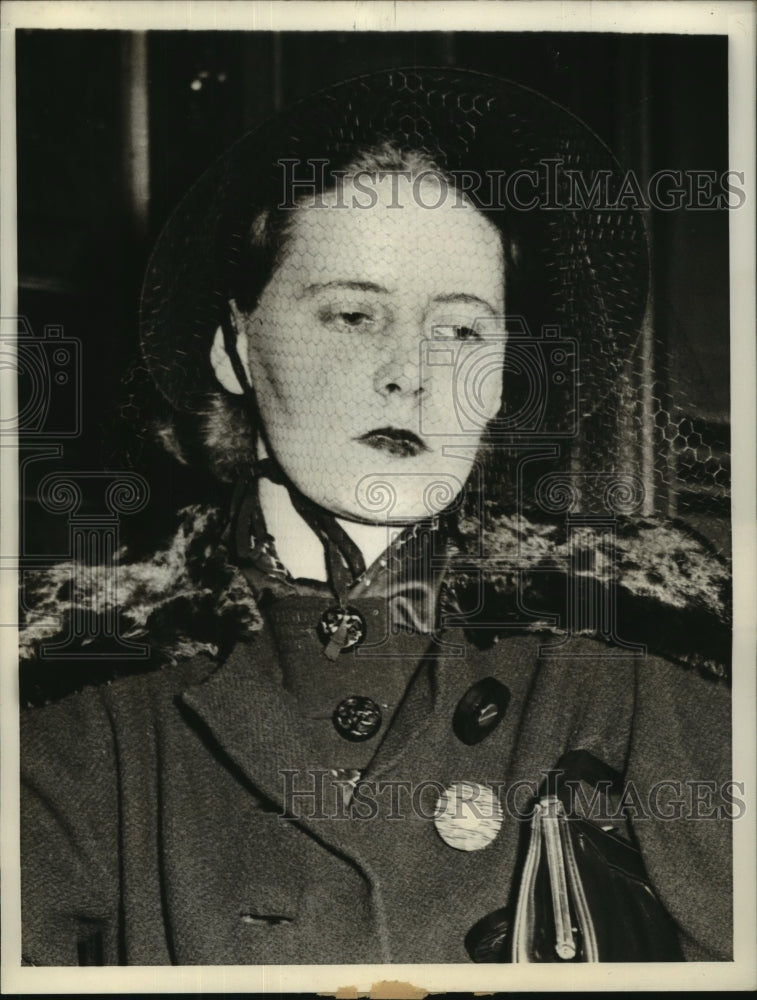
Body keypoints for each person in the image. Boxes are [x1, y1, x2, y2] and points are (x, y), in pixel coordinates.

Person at [20, 68, 732, 966]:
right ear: (235, 345)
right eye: (354, 315)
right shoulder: (84, 668)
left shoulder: (639, 629)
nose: (412, 373)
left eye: (462, 332)